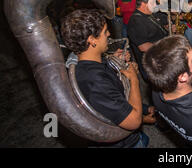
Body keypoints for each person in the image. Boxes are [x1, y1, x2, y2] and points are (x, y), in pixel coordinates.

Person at [61, 9, 154, 147]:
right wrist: (134, 79)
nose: (109, 34)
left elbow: (114, 93)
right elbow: (134, 121)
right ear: (92, 40)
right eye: (105, 32)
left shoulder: (89, 63)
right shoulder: (94, 81)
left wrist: (115, 61)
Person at [127, 0, 173, 81]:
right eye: (153, 2)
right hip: (152, 62)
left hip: (160, 56)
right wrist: (167, 47)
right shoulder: (136, 21)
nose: (156, 5)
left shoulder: (148, 14)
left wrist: (168, 28)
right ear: (144, 5)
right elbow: (143, 47)